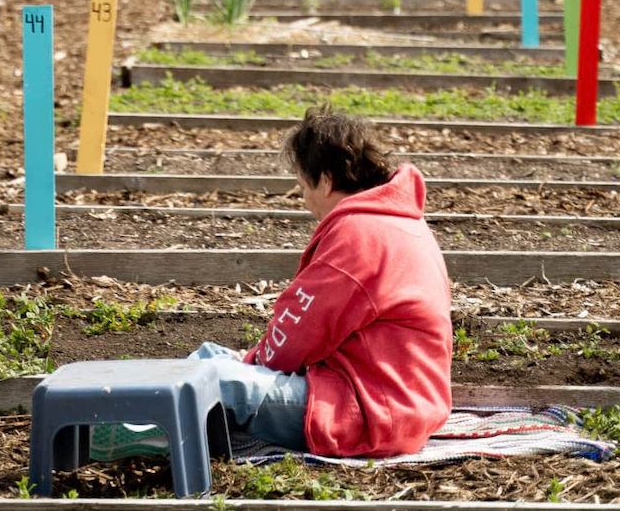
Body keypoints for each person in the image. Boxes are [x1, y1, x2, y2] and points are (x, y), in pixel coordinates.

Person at [192, 106, 453, 457]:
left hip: (366, 410)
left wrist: (252, 363)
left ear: (327, 180)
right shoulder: (397, 221)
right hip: (397, 401)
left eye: (304, 187)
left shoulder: (359, 234)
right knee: (209, 359)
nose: (305, 201)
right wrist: (251, 360)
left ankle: (119, 432)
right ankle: (138, 416)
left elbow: (301, 329)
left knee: (212, 381)